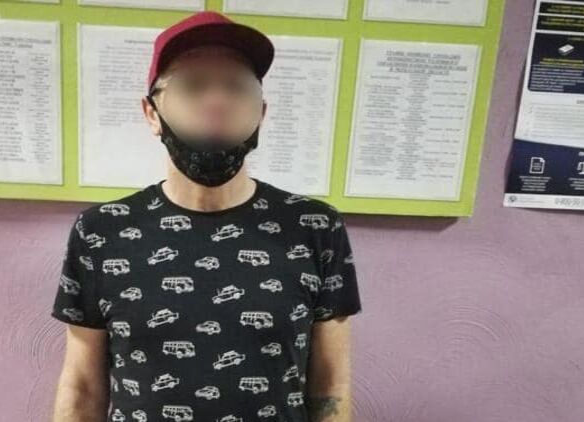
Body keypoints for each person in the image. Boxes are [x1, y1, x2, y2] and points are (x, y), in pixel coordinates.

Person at [50, 10, 362, 422]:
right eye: (193, 85)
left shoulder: (315, 228)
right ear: (151, 113)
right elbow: (82, 387)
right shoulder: (101, 232)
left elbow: (330, 385)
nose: (217, 101)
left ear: (261, 113)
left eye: (236, 86)